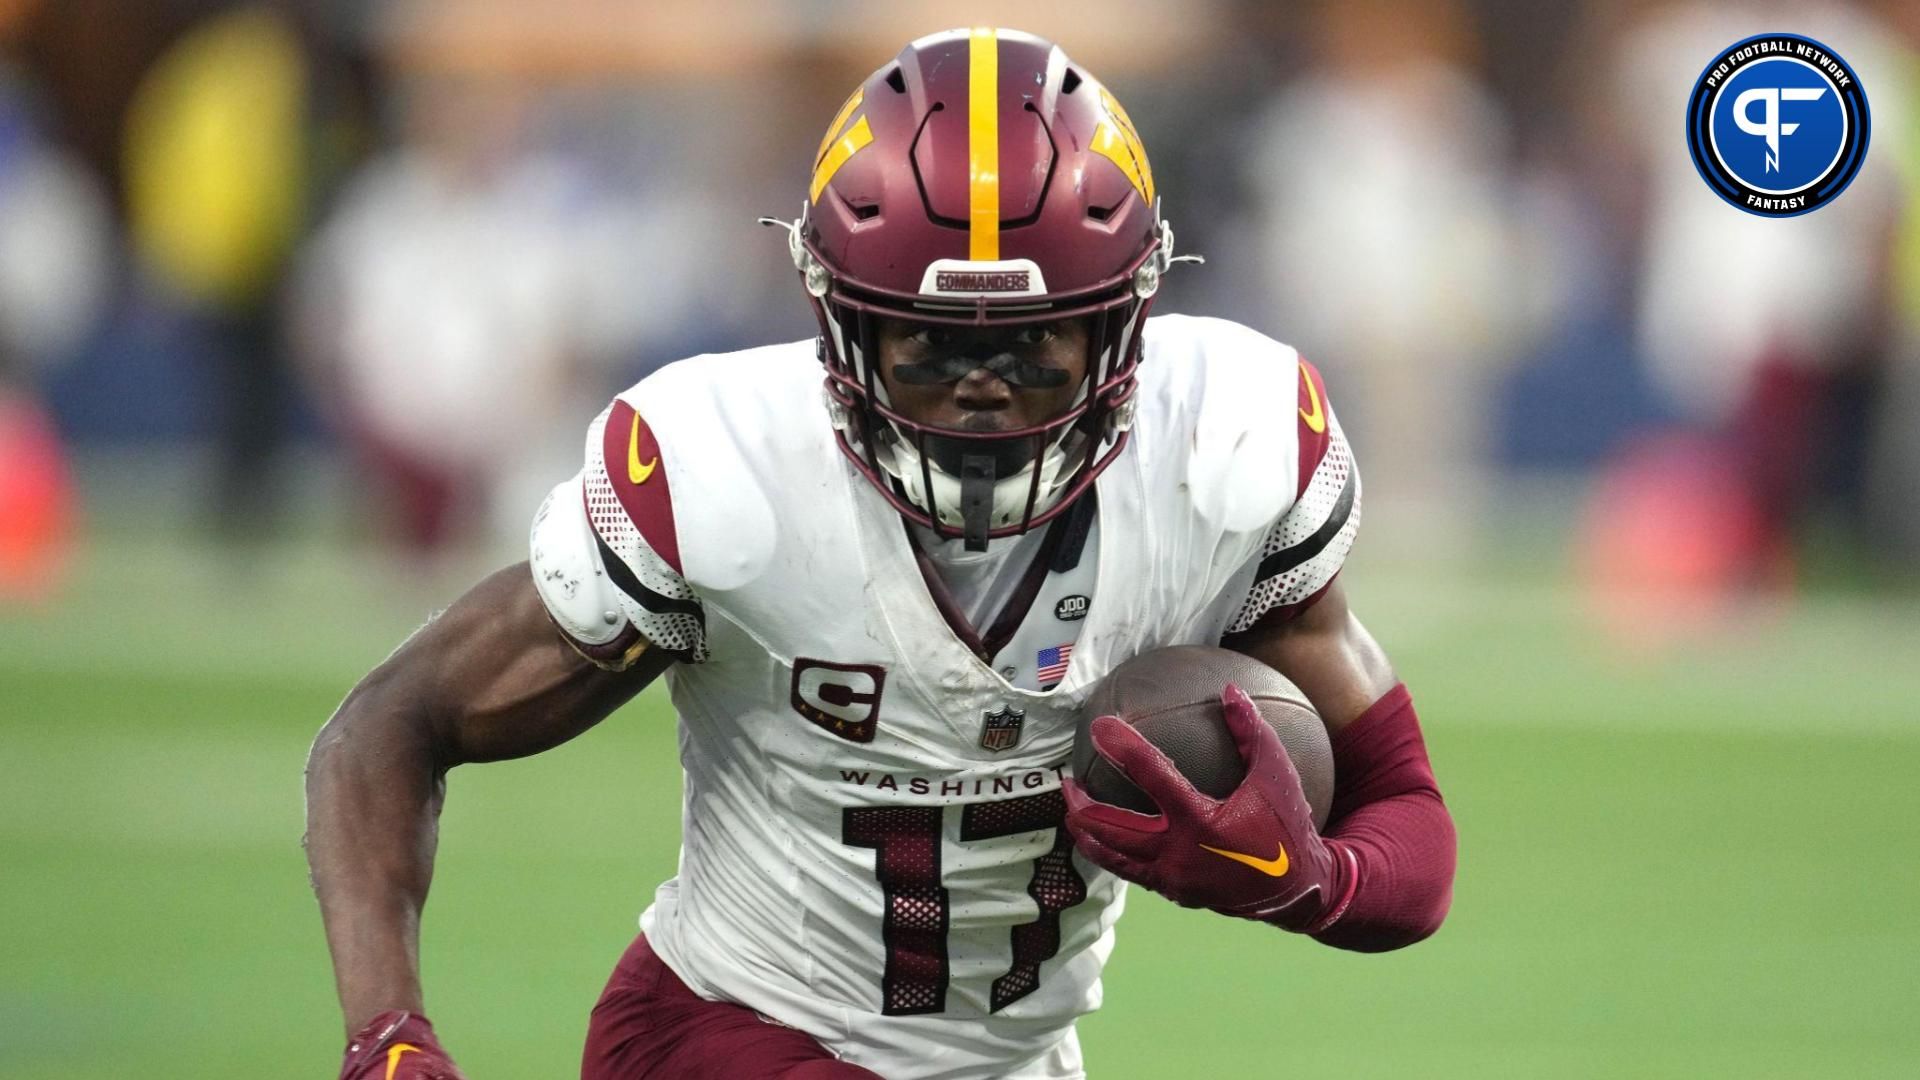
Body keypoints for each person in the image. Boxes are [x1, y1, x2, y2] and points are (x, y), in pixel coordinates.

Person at [306, 28, 1457, 1080]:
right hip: (739, 1032)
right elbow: (388, 727)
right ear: (834, 319)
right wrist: (388, 1036)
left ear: (1128, 321)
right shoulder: (725, 477)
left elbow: (1414, 833)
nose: (981, 390)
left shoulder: (1230, 450)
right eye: (927, 342)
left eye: (1034, 341)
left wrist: (1312, 879)